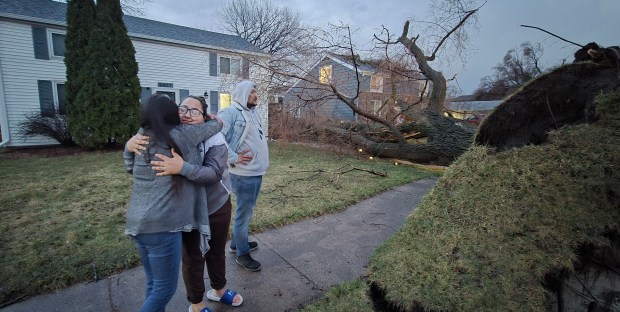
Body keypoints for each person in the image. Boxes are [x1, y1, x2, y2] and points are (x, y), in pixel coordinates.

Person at [127, 96, 243, 311]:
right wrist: (129, 144)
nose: (187, 114)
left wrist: (182, 168)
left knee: (216, 251)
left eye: (194, 111)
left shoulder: (214, 138)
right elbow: (143, 145)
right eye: (183, 109)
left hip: (215, 204)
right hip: (185, 210)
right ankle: (197, 304)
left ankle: (218, 290)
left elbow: (214, 173)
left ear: (204, 116)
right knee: (192, 258)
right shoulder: (166, 134)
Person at [218, 80, 269, 272]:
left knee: (247, 211)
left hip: (255, 171)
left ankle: (237, 243)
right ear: (242, 94)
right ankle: (242, 254)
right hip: (243, 174)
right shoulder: (230, 112)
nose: (256, 95)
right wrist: (233, 157)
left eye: (256, 92)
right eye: (252, 92)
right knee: (244, 214)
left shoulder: (252, 113)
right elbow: (217, 137)